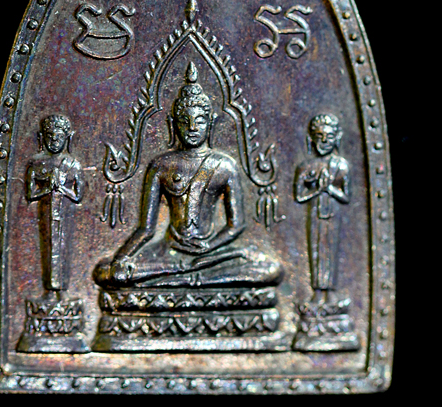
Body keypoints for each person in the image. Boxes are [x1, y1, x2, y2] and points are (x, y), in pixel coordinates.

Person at [94, 62, 281, 288]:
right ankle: (190, 275)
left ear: (210, 123)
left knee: (271, 270)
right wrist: (121, 258)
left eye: (199, 120)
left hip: (212, 253)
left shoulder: (224, 166)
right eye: (185, 121)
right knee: (107, 272)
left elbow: (236, 225)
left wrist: (210, 246)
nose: (192, 127)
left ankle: (186, 275)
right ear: (173, 125)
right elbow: (146, 229)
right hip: (169, 251)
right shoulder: (162, 165)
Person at [26, 114, 85, 299]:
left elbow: (78, 196)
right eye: (50, 137)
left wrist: (61, 188)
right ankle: (49, 291)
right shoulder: (36, 164)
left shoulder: (73, 164)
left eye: (59, 137)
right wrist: (47, 188)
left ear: (67, 138)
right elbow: (30, 194)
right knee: (47, 247)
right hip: (44, 213)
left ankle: (61, 291)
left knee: (62, 248)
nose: (54, 141)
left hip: (66, 214)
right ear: (42, 138)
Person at [294, 113, 350, 305]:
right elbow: (299, 196)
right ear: (312, 139)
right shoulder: (306, 166)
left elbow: (346, 196)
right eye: (320, 136)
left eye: (329, 137)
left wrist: (329, 189)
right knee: (316, 249)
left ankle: (330, 293)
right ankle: (317, 292)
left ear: (336, 138)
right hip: (315, 214)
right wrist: (317, 189)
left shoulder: (341, 166)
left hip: (333, 214)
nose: (324, 141)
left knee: (331, 250)